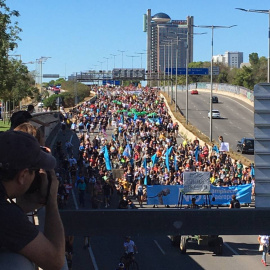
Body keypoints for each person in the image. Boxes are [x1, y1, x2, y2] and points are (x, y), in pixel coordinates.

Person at [0, 130, 65, 269]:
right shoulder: (6, 214)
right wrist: (51, 201)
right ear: (23, 175)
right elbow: (55, 261)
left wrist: (24, 207)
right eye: (34, 171)